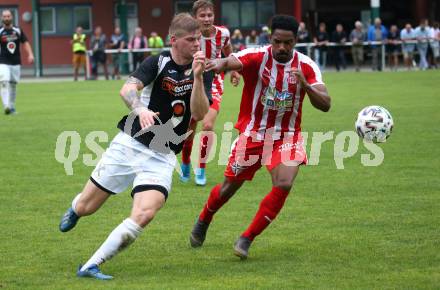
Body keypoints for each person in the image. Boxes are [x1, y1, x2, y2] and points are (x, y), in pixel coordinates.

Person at [58, 13, 211, 280]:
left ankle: (91, 265)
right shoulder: (156, 62)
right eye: (190, 39)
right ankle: (75, 208)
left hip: (163, 155)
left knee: (145, 212)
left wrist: (198, 78)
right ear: (174, 40)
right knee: (86, 207)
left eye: (198, 38)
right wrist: (139, 108)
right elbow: (127, 89)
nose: (197, 44)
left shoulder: (202, 69)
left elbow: (199, 112)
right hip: (130, 143)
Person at [189, 14, 331, 259]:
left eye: (288, 43)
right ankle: (204, 218)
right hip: (253, 135)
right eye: (278, 42)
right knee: (227, 190)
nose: (282, 48)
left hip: (287, 137)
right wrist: (213, 66)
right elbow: (229, 61)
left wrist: (305, 86)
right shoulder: (257, 55)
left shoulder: (306, 65)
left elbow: (326, 103)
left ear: (296, 40)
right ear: (270, 39)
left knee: (284, 182)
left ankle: (246, 238)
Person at [180, 0, 241, 186]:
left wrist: (233, 70)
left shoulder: (223, 33)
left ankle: (201, 169)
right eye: (202, 16)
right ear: (195, 17)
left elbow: (228, 51)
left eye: (209, 15)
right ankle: (185, 162)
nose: (207, 19)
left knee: (207, 126)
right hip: (192, 81)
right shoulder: (188, 35)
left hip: (214, 81)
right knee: (190, 129)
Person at [0, 9, 34, 115]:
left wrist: (30, 54)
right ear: (1, 18)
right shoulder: (0, 31)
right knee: (4, 81)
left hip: (16, 62)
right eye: (4, 16)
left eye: (8, 16)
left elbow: (25, 43)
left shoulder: (18, 30)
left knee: (13, 84)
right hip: (3, 61)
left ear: (12, 17)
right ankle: (6, 106)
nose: (6, 18)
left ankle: (11, 106)